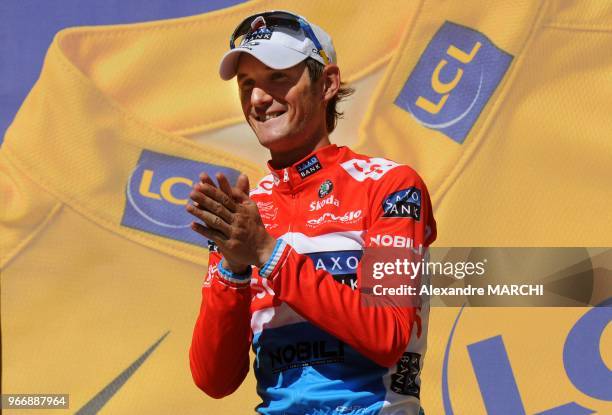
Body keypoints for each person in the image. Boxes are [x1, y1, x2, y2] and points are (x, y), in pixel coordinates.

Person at [187, 10, 436, 415]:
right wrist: (233, 267)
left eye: (278, 78)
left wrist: (268, 254)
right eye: (247, 84)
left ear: (328, 84)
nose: (258, 99)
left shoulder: (390, 186)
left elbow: (388, 333)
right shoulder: (246, 213)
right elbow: (213, 379)